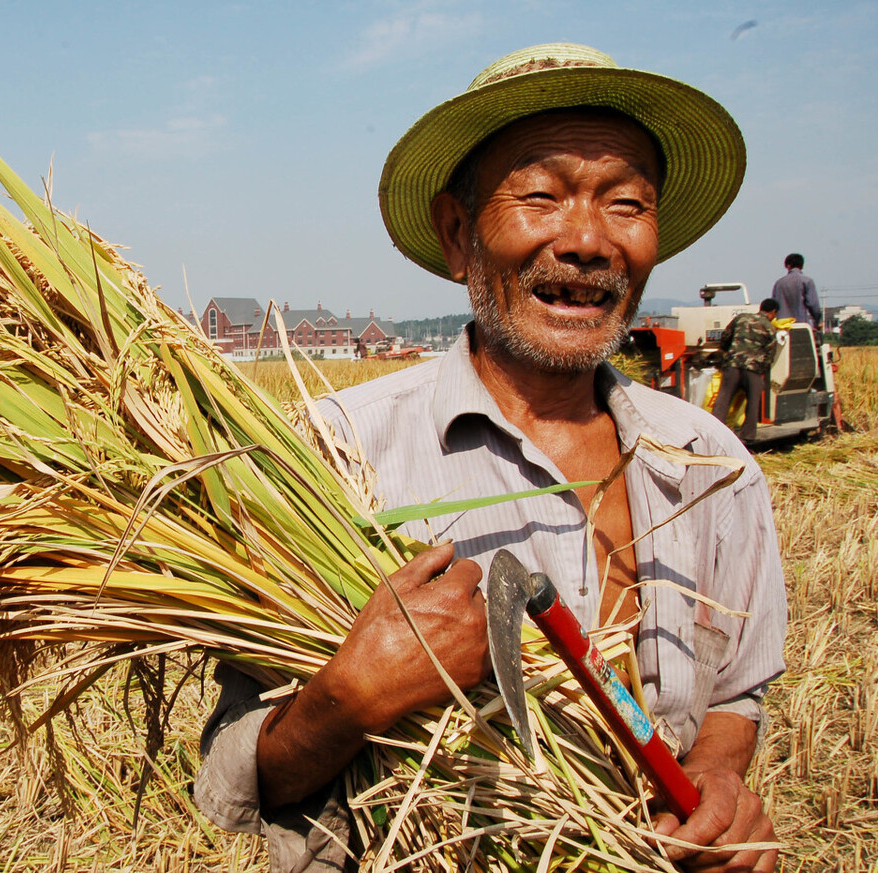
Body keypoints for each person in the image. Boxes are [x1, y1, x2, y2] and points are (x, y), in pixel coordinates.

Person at [195, 43, 785, 873]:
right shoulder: (331, 457)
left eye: (626, 204)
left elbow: (734, 694)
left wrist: (718, 783)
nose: (586, 239)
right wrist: (346, 698)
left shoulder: (710, 465)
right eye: (540, 195)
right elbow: (234, 774)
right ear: (456, 233)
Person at [712, 298, 781, 445]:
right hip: (753, 369)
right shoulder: (769, 328)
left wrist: (727, 352)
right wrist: (760, 369)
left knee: (723, 399)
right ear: (773, 312)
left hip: (733, 365)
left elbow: (725, 336)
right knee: (753, 402)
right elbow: (770, 354)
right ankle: (747, 436)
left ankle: (714, 432)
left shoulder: (741, 318)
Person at [772, 253, 822, 330]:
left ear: (787, 266)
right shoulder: (807, 281)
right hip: (801, 326)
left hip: (782, 327)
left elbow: (773, 306)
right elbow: (813, 305)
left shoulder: (779, 283)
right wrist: (818, 321)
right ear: (802, 266)